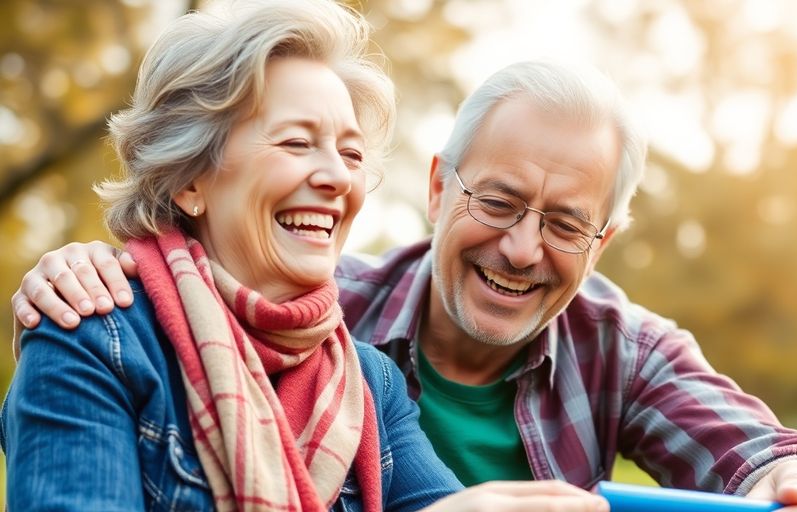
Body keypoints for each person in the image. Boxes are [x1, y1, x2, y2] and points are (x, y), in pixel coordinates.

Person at [11, 59, 797, 510]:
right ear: (436, 187)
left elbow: (753, 447)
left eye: (567, 224)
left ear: (603, 243)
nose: (523, 248)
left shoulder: (365, 376)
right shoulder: (321, 316)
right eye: (497, 201)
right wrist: (88, 269)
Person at [0, 1, 612, 511]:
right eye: (297, 142)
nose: (335, 178)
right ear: (191, 179)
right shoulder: (92, 340)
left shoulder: (370, 383)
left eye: (350, 155)